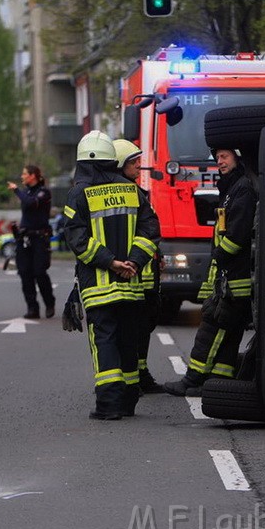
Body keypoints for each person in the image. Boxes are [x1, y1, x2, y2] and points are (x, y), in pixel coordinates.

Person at [65, 131, 161, 420]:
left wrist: (112, 263)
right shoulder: (133, 191)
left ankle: (108, 405)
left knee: (104, 340)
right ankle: (129, 401)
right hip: (131, 284)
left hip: (99, 286)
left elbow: (77, 240)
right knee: (128, 340)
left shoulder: (78, 193)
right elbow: (150, 230)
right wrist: (133, 261)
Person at [165, 148, 256, 397]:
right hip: (230, 275)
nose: (220, 161)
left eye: (225, 156)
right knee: (228, 334)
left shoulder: (243, 189)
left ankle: (193, 379)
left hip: (233, 277)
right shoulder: (234, 188)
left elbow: (235, 237)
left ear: (238, 157)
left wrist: (219, 256)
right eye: (218, 157)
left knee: (213, 328)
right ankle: (218, 382)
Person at [113, 138, 163, 394]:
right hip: (134, 277)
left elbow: (148, 229)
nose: (138, 166)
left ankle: (140, 373)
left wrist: (159, 255)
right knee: (132, 330)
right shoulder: (126, 195)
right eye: (133, 162)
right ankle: (132, 377)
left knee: (144, 329)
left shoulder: (138, 193)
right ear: (120, 165)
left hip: (145, 274)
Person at [7, 165, 56, 319]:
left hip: (40, 238)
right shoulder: (26, 191)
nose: (22, 177)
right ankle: (32, 308)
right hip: (25, 238)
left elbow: (31, 203)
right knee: (25, 273)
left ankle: (49, 303)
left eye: (24, 174)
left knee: (40, 272)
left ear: (33, 176)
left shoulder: (43, 192)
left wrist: (16, 190)